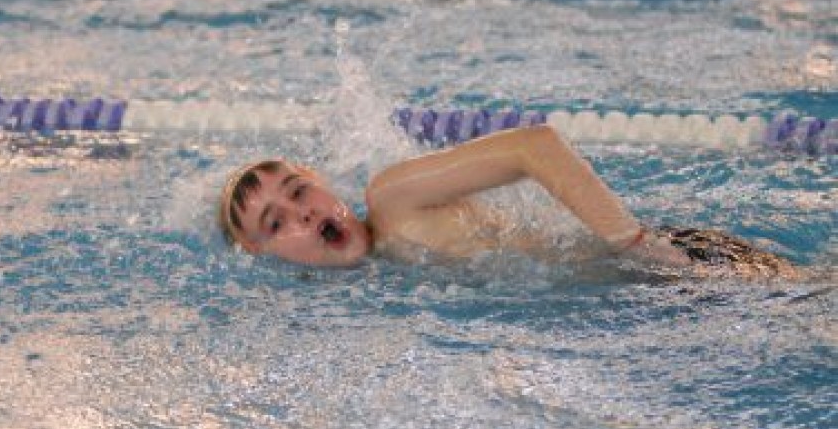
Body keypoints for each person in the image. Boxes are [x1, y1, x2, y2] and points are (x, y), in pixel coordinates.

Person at [218, 124, 796, 279]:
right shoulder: (378, 278)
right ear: (263, 253)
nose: (304, 213)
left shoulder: (391, 199)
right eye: (277, 222)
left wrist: (637, 246)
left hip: (674, 265)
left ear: (322, 184)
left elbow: (533, 145)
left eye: (300, 191)